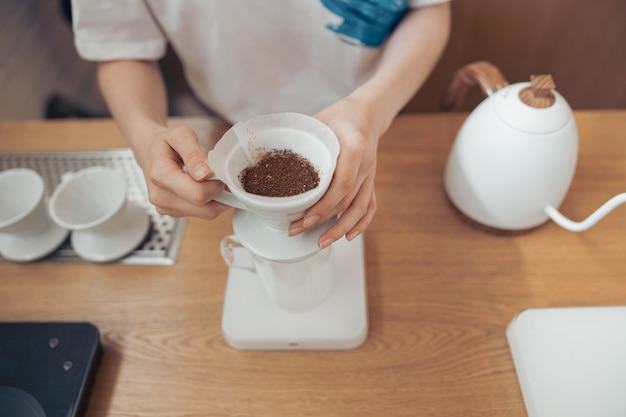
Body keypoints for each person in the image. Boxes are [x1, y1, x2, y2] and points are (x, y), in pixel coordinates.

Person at [70, 0, 451, 249]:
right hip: (231, 118)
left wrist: (372, 110)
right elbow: (119, 46)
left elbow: (429, 8)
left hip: (368, 117)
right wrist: (146, 135)